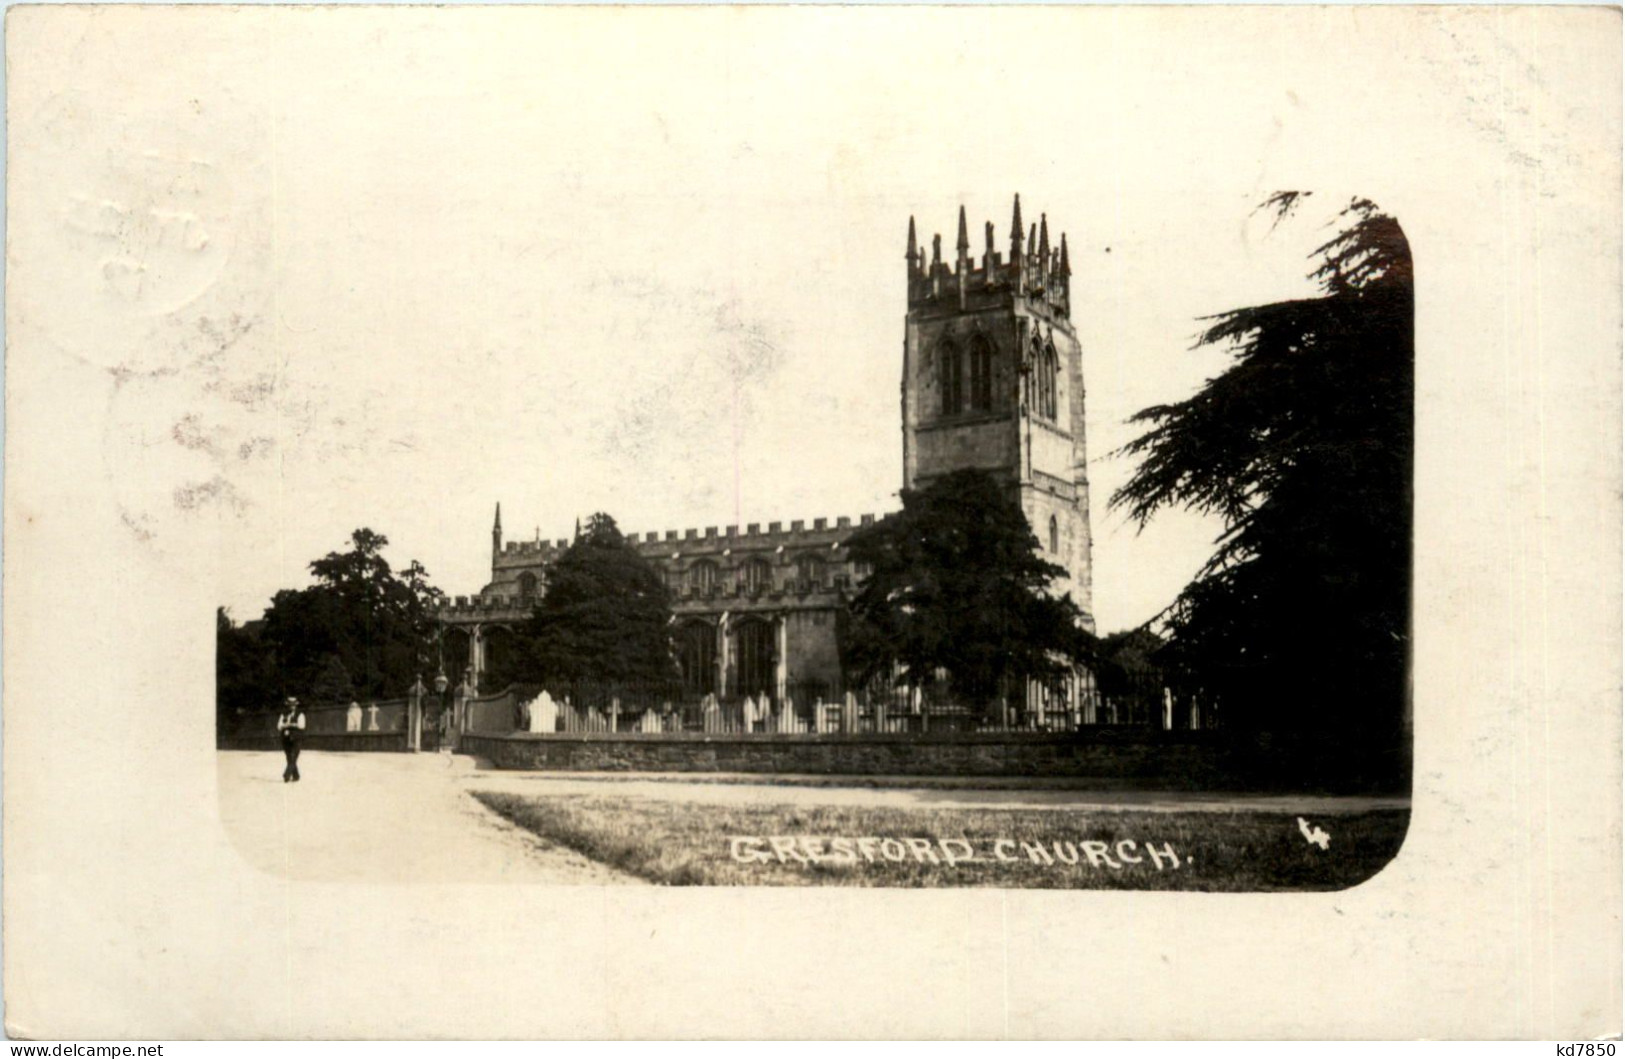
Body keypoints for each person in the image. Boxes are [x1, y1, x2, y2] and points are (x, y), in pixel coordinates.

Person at [277, 697, 306, 783]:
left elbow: (302, 726)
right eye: (290, 705)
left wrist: (289, 725)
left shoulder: (300, 714)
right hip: (285, 738)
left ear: (296, 705)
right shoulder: (283, 714)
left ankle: (286, 774)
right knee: (289, 756)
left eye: (293, 705)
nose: (291, 707)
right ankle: (296, 776)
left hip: (297, 738)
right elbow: (279, 726)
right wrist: (290, 724)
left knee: (293, 756)